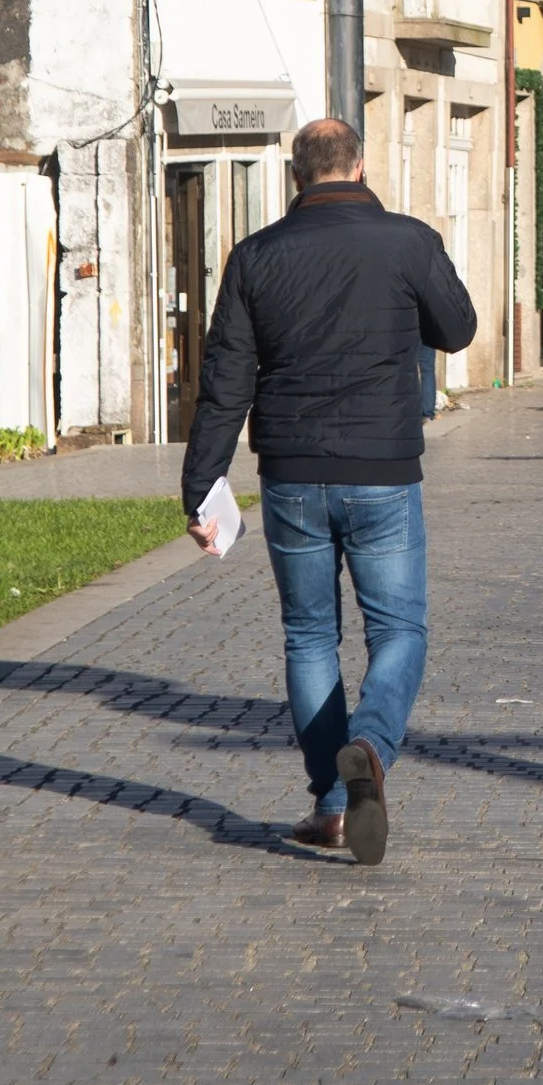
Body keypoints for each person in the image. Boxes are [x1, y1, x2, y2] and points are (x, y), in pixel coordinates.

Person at [182, 115, 476, 861]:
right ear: (362, 165)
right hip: (381, 470)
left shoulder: (253, 257)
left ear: (295, 174)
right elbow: (460, 327)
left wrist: (200, 486)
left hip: (290, 475)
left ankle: (332, 799)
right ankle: (369, 750)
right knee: (399, 629)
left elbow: (224, 383)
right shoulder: (408, 241)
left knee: (310, 633)